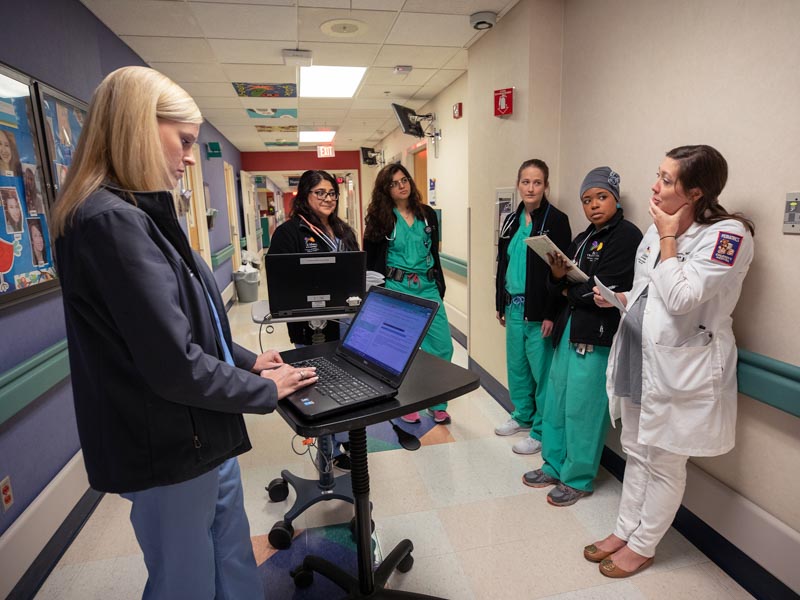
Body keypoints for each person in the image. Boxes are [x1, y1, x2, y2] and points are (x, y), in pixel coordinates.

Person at [51, 66, 317, 600]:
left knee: (232, 560)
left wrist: (247, 361)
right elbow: (173, 363)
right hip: (167, 445)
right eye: (185, 141)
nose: (191, 157)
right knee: (186, 582)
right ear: (136, 127)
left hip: (198, 436)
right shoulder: (110, 222)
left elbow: (194, 324)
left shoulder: (144, 213)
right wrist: (266, 391)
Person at [585, 145, 754, 578]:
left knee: (664, 462)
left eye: (665, 179)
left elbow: (681, 298)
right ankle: (624, 531)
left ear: (695, 191)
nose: (654, 186)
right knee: (636, 451)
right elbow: (650, 290)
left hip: (683, 370)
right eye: (657, 174)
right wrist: (618, 298)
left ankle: (643, 545)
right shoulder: (660, 227)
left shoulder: (728, 236)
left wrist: (667, 236)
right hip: (641, 358)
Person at [523, 166, 642, 507]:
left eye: (601, 197)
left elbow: (603, 292)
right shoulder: (582, 237)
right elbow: (555, 284)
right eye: (587, 200)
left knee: (583, 410)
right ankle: (554, 465)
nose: (593, 205)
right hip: (568, 332)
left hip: (597, 336)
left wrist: (567, 290)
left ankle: (578, 479)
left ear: (615, 199)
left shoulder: (626, 236)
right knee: (556, 403)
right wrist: (561, 282)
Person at [268, 169, 359, 470]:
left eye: (332, 193)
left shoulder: (344, 231)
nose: (328, 198)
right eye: (320, 192)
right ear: (305, 196)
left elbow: (353, 270)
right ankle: (326, 449)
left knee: (347, 379)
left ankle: (344, 439)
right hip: (312, 324)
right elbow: (281, 282)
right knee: (318, 382)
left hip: (346, 320)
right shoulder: (288, 233)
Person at [363, 163, 453, 424]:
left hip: (427, 287)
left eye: (404, 180)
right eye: (393, 183)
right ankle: (407, 402)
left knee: (442, 346)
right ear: (386, 190)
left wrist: (439, 286)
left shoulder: (427, 215)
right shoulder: (380, 219)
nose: (401, 185)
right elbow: (371, 261)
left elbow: (433, 253)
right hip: (396, 289)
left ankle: (438, 403)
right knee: (400, 349)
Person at [494, 159, 571, 455]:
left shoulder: (556, 221)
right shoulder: (511, 221)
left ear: (546, 186)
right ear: (518, 185)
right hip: (513, 307)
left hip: (539, 312)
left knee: (542, 374)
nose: (531, 187)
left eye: (537, 182)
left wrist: (552, 313)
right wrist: (500, 302)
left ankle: (540, 431)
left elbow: (561, 272)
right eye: (525, 181)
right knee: (517, 368)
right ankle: (523, 415)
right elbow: (503, 264)